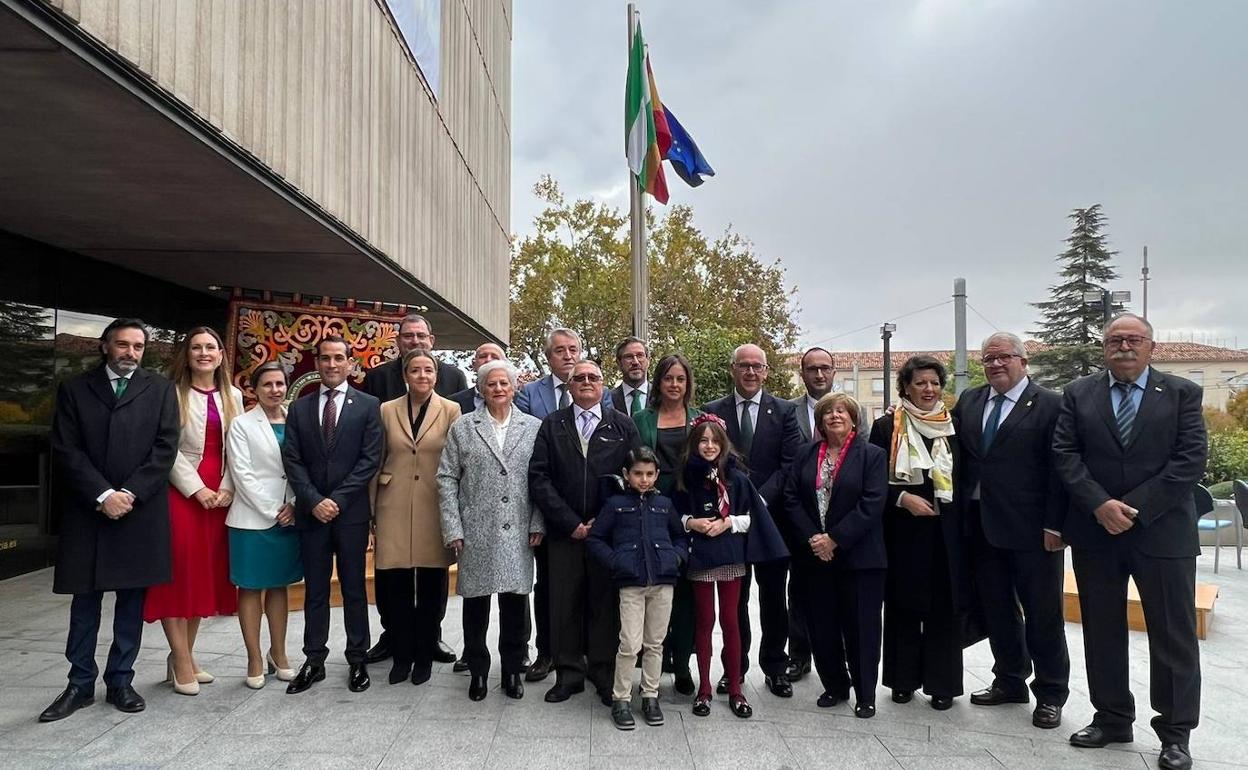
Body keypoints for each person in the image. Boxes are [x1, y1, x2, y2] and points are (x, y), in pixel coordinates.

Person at [1053, 314, 1206, 770]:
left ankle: (1175, 733)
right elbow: (1065, 453)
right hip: (1097, 532)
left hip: (1162, 531)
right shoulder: (1079, 393)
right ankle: (1112, 717)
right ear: (1104, 348)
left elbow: (1190, 459)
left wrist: (1133, 508)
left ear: (1150, 347)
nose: (1123, 346)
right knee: (1100, 628)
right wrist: (1100, 505)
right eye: (1115, 340)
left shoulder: (1182, 393)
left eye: (1133, 340)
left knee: (1172, 633)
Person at [40, 318, 180, 722]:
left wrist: (129, 493)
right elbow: (66, 449)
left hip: (139, 511)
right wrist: (103, 495)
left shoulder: (159, 389)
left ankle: (121, 680)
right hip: (90, 511)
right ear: (105, 346)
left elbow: (165, 447)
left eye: (137, 346)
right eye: (122, 345)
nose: (130, 353)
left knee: (131, 602)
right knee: (85, 602)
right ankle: (79, 684)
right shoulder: (75, 389)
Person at [952, 333, 1069, 729]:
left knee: (1043, 613)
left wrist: (1056, 524)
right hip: (981, 526)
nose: (996, 364)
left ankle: (1051, 692)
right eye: (988, 359)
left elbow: (1060, 469)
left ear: (1023, 361)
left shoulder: (1051, 404)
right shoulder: (970, 400)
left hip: (1034, 531)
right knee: (997, 608)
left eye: (1004, 357)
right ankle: (1010, 679)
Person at [528, 359, 641, 705]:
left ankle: (603, 672)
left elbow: (636, 475)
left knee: (604, 604)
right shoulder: (552, 424)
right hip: (565, 533)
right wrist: (570, 523)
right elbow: (539, 477)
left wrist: (602, 524)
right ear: (570, 385)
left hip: (607, 535)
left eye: (593, 377)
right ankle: (569, 674)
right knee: (564, 603)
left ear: (604, 384)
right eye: (580, 378)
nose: (587, 382)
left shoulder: (622, 426)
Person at [143, 326, 243, 695]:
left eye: (210, 347)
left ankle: (184, 654)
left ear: (221, 355)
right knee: (178, 574)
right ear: (187, 355)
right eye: (196, 347)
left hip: (220, 493)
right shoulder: (171, 394)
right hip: (181, 492)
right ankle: (181, 660)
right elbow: (165, 448)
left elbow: (240, 449)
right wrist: (196, 488)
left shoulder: (233, 394)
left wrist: (228, 487)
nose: (204, 353)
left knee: (203, 575)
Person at [362, 313, 464, 668]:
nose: (422, 374)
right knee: (393, 575)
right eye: (409, 336)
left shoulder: (453, 398)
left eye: (422, 335)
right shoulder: (381, 397)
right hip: (393, 498)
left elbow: (456, 458)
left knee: (434, 574)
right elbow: (374, 456)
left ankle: (429, 638)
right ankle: (396, 638)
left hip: (434, 500)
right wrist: (370, 509)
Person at [868, 355, 969, 711]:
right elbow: (874, 481)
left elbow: (966, 478)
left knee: (945, 609)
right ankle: (902, 680)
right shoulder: (885, 428)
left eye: (934, 383)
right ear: (906, 388)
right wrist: (902, 498)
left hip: (947, 533)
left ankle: (943, 683)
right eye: (920, 383)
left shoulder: (954, 426)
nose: (928, 389)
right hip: (903, 531)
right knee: (902, 606)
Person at [283, 336, 383, 694]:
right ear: (317, 363)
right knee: (316, 591)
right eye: (325, 358)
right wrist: (313, 500)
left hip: (351, 513)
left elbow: (370, 460)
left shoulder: (369, 405)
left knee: (355, 589)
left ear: (349, 364)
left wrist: (336, 500)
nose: (331, 364)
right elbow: (292, 460)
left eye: (338, 358)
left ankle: (357, 659)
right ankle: (314, 660)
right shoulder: (299, 408)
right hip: (312, 515)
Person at [438, 359, 543, 700]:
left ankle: (512, 671)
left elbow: (543, 480)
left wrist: (538, 522)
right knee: (476, 606)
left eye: (504, 383)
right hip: (476, 531)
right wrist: (453, 526)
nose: (498, 388)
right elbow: (446, 478)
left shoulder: (533, 427)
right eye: (491, 383)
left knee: (515, 605)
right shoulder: (464, 427)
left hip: (518, 530)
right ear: (481, 389)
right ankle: (478, 671)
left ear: (515, 388)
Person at [673, 414, 789, 719]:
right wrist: (691, 522)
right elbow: (675, 514)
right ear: (694, 444)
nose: (709, 446)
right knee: (704, 621)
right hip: (700, 555)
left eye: (714, 440)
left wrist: (727, 523)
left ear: (723, 444)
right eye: (702, 440)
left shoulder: (736, 477)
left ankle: (736, 688)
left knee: (730, 621)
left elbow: (754, 516)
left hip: (730, 554)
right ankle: (704, 689)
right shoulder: (687, 477)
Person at [702, 343, 802, 697]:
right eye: (743, 366)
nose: (750, 372)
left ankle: (775, 666)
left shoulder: (785, 411)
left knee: (774, 598)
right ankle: (735, 668)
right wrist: (737, 501)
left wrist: (757, 500)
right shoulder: (713, 411)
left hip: (772, 521)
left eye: (756, 366)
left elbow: (790, 463)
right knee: (735, 600)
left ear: (766, 372)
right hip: (729, 522)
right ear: (733, 369)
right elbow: (710, 461)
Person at [780, 393, 887, 718]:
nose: (834, 416)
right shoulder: (805, 454)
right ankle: (835, 686)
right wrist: (814, 538)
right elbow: (791, 497)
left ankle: (865, 693)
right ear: (820, 421)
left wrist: (835, 539)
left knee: (861, 628)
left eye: (842, 411)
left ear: (854, 419)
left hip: (860, 558)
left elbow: (872, 502)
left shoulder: (872, 455)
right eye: (828, 412)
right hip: (814, 557)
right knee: (821, 625)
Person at [514, 328, 610, 683]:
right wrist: (567, 519)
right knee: (552, 589)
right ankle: (550, 654)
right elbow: (534, 464)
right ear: (549, 357)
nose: (568, 356)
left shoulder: (611, 408)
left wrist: (603, 519)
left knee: (597, 593)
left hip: (601, 523)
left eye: (574, 350)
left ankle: (591, 659)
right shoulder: (532, 399)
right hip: (554, 517)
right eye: (560, 351)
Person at [588, 446, 688, 730]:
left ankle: (650, 695)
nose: (643, 479)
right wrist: (616, 561)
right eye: (637, 474)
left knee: (654, 643)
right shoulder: (615, 504)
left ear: (657, 475)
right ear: (626, 474)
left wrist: (676, 558)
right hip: (630, 584)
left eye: (649, 474)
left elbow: (680, 537)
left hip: (662, 582)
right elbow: (595, 539)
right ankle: (621, 698)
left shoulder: (664, 505)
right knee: (630, 644)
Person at [225, 362, 303, 689]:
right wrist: (274, 509)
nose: (275, 390)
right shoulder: (241, 424)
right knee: (251, 587)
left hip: (291, 514)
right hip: (252, 519)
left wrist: (296, 505)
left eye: (280, 384)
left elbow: (305, 466)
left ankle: (280, 654)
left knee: (279, 585)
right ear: (254, 389)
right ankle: (254, 657)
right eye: (267, 384)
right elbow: (241, 474)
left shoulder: (297, 421)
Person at [631, 353, 703, 695]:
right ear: (658, 382)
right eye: (668, 378)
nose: (674, 384)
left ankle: (683, 662)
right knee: (654, 587)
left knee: (686, 590)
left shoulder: (701, 419)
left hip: (691, 511)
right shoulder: (641, 418)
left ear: (687, 384)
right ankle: (651, 663)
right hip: (654, 509)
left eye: (681, 379)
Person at [449, 342, 506, 415]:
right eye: (483, 356)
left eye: (495, 357)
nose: (488, 360)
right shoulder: (453, 402)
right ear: (473, 365)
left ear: (505, 365)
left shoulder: (519, 401)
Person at [609, 337, 650, 417]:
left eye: (640, 355)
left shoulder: (661, 397)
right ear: (619, 363)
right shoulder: (609, 399)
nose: (635, 362)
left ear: (648, 361)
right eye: (629, 357)